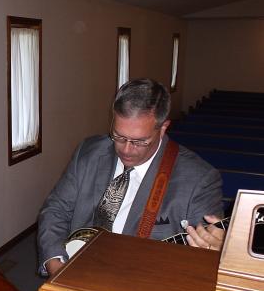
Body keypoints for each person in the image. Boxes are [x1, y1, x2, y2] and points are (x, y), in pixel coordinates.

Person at [38, 78, 225, 276]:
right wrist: (54, 261)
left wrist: (217, 250)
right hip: (78, 267)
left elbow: (204, 256)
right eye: (118, 136)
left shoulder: (199, 180)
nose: (126, 150)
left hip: (141, 283)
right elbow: (56, 209)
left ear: (163, 128)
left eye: (139, 141)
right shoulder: (89, 152)